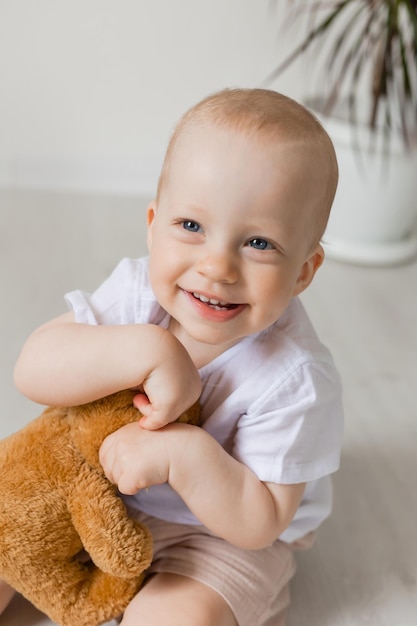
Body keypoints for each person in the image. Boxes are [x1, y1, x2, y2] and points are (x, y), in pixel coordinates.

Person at [2, 88, 343, 626]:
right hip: (94, 487)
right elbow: (33, 369)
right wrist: (145, 347)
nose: (217, 267)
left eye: (259, 243)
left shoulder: (293, 376)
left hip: (212, 535)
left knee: (178, 617)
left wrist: (184, 456)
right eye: (191, 227)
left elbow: (262, 521)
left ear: (303, 270)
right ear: (154, 223)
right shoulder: (138, 295)